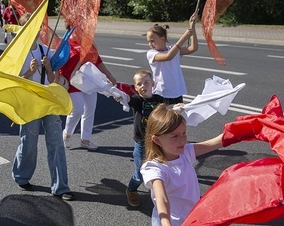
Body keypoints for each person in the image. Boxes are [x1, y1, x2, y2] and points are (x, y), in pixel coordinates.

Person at [11, 14, 75, 201]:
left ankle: (61, 187)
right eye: (31, 28)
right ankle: (22, 176)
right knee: (28, 142)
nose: (36, 32)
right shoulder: (18, 53)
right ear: (23, 30)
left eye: (38, 28)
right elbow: (14, 82)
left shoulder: (45, 50)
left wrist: (48, 68)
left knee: (56, 142)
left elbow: (52, 80)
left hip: (48, 101)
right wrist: (30, 71)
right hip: (29, 103)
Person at [60, 36, 118, 151]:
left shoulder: (90, 43)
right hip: (74, 82)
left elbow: (98, 61)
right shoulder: (66, 43)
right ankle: (67, 133)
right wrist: (59, 77)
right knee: (77, 110)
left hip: (90, 81)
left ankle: (85, 139)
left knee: (89, 110)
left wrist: (109, 75)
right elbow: (59, 62)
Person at [125, 69, 165, 207]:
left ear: (153, 83)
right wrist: (116, 93)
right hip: (141, 143)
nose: (143, 86)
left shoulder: (159, 100)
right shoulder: (137, 100)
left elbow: (166, 113)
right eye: (139, 84)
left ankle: (159, 195)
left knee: (160, 169)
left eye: (146, 82)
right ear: (135, 87)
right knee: (140, 173)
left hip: (157, 142)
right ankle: (131, 190)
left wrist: (178, 107)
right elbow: (127, 99)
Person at [146, 13, 198, 104]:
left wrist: (192, 26)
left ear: (162, 39)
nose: (150, 44)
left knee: (176, 118)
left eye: (152, 41)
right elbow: (168, 56)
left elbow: (193, 48)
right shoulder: (151, 53)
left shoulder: (173, 49)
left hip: (177, 92)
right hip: (162, 93)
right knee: (164, 118)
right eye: (148, 41)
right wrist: (184, 37)